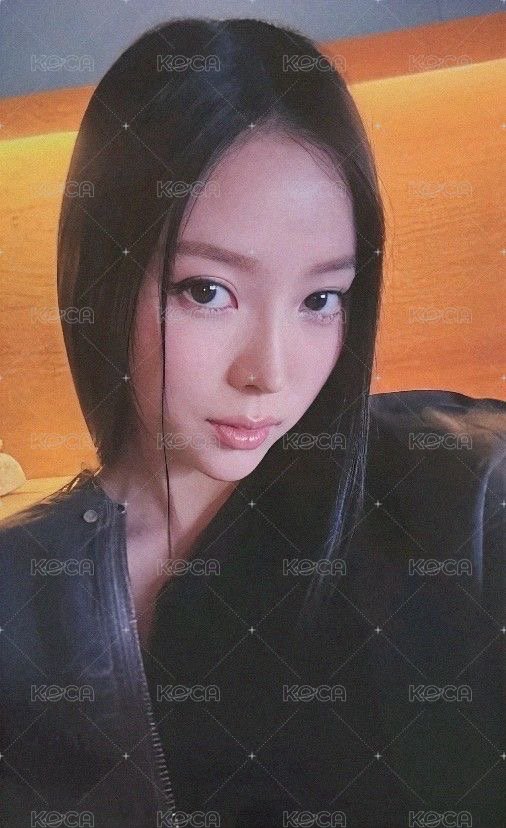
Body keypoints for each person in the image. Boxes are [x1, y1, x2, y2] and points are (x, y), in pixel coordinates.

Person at [1, 17, 503, 828]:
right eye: (208, 291)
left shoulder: (456, 496)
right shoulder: (23, 587)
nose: (269, 371)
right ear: (103, 277)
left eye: (321, 299)